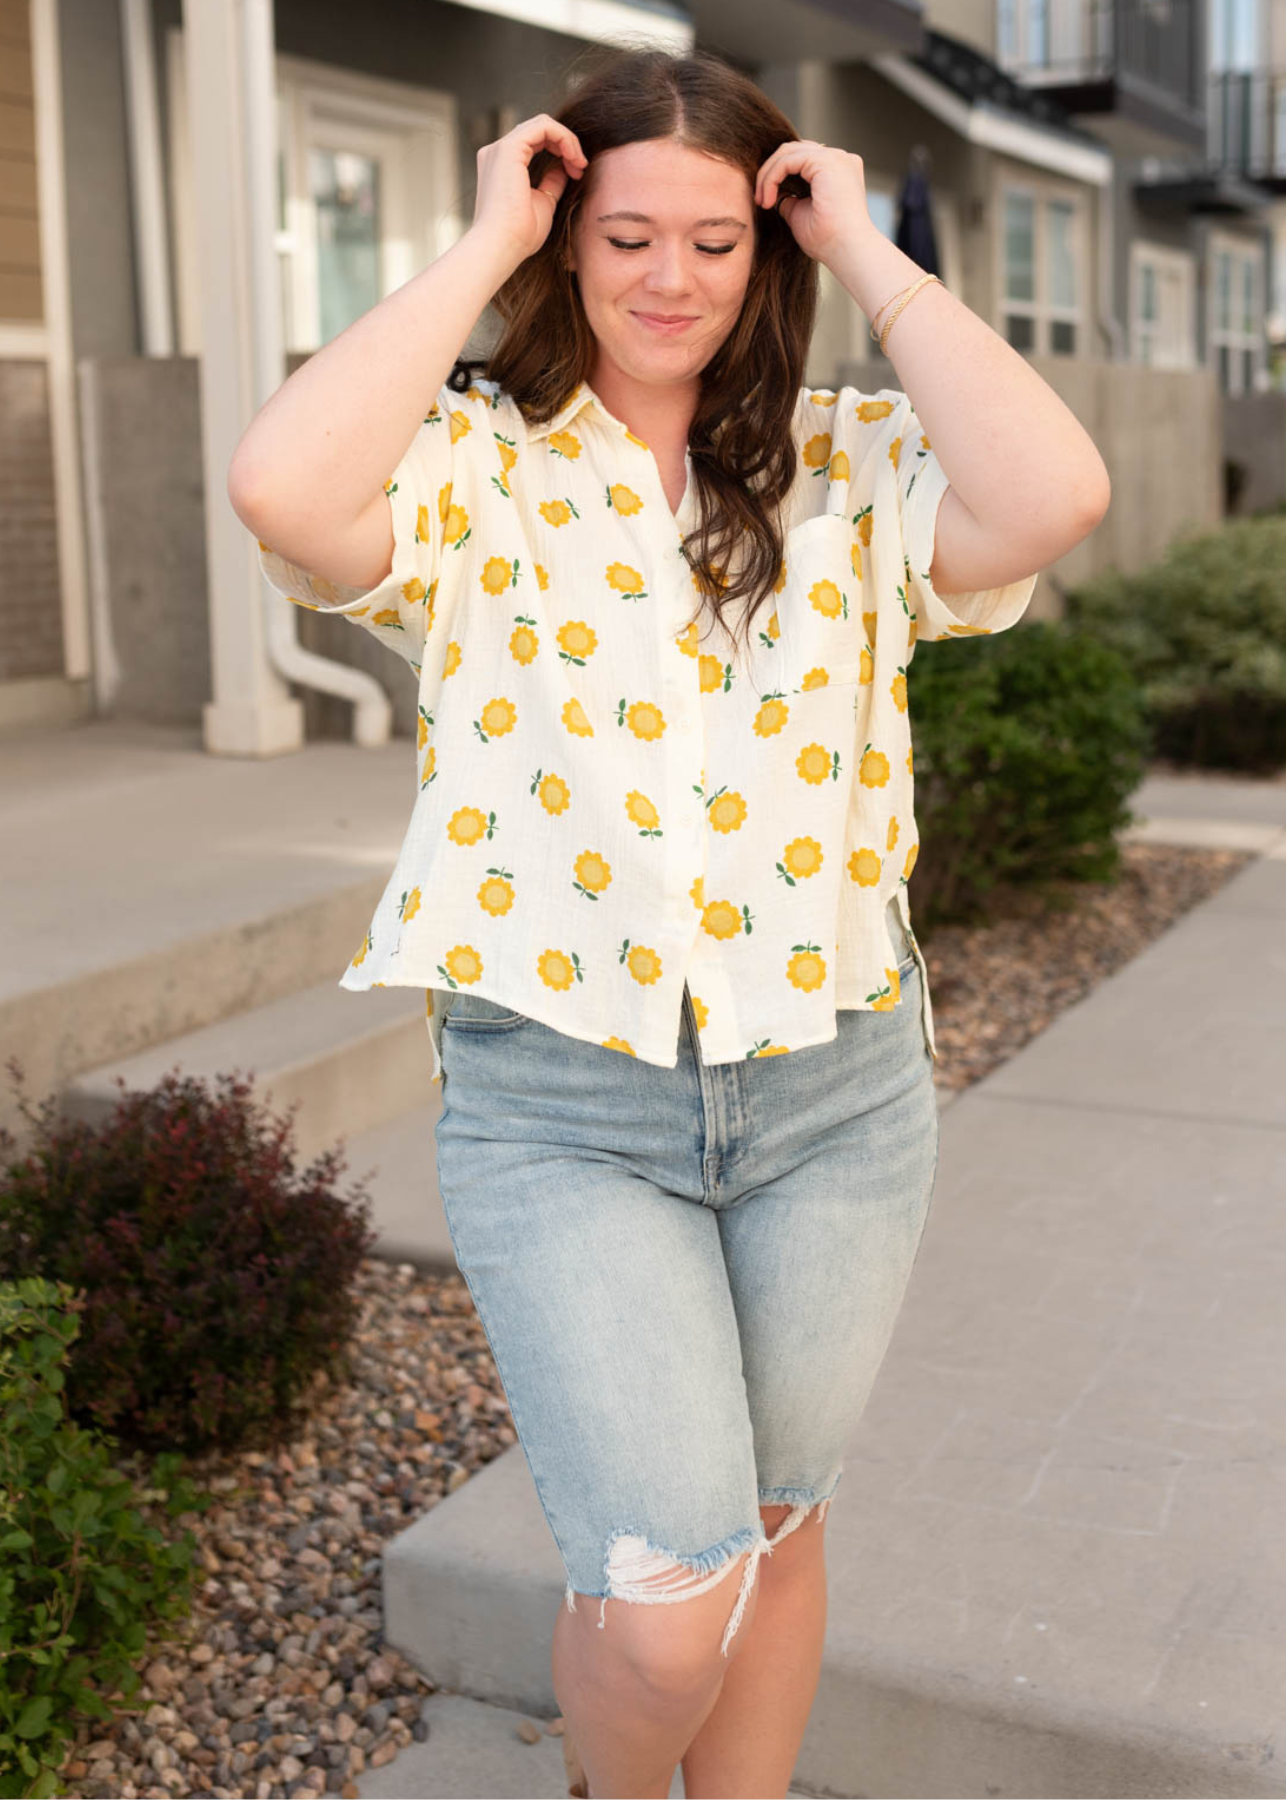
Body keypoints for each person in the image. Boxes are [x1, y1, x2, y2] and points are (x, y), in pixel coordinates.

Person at [229, 41, 1110, 1800]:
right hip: (565, 1106)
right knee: (661, 1599)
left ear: (763, 253)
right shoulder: (479, 471)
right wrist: (483, 242)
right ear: (570, 242)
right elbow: (281, 489)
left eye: (716, 241)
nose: (671, 279)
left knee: (777, 1525)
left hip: (835, 1095)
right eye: (627, 236)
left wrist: (867, 250)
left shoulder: (846, 466)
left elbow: (1051, 496)